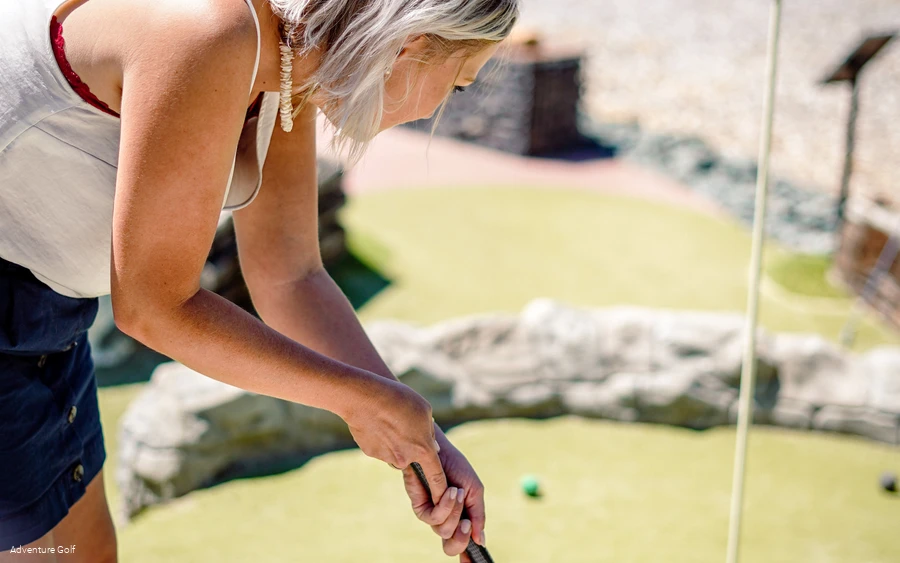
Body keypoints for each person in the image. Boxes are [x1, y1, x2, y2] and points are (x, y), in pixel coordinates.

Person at [0, 0, 518, 560]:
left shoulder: (294, 63)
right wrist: (361, 401)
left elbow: (290, 275)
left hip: (50, 317)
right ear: (412, 43)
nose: (439, 107)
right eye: (458, 84)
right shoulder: (209, 31)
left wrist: (422, 437)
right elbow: (153, 307)